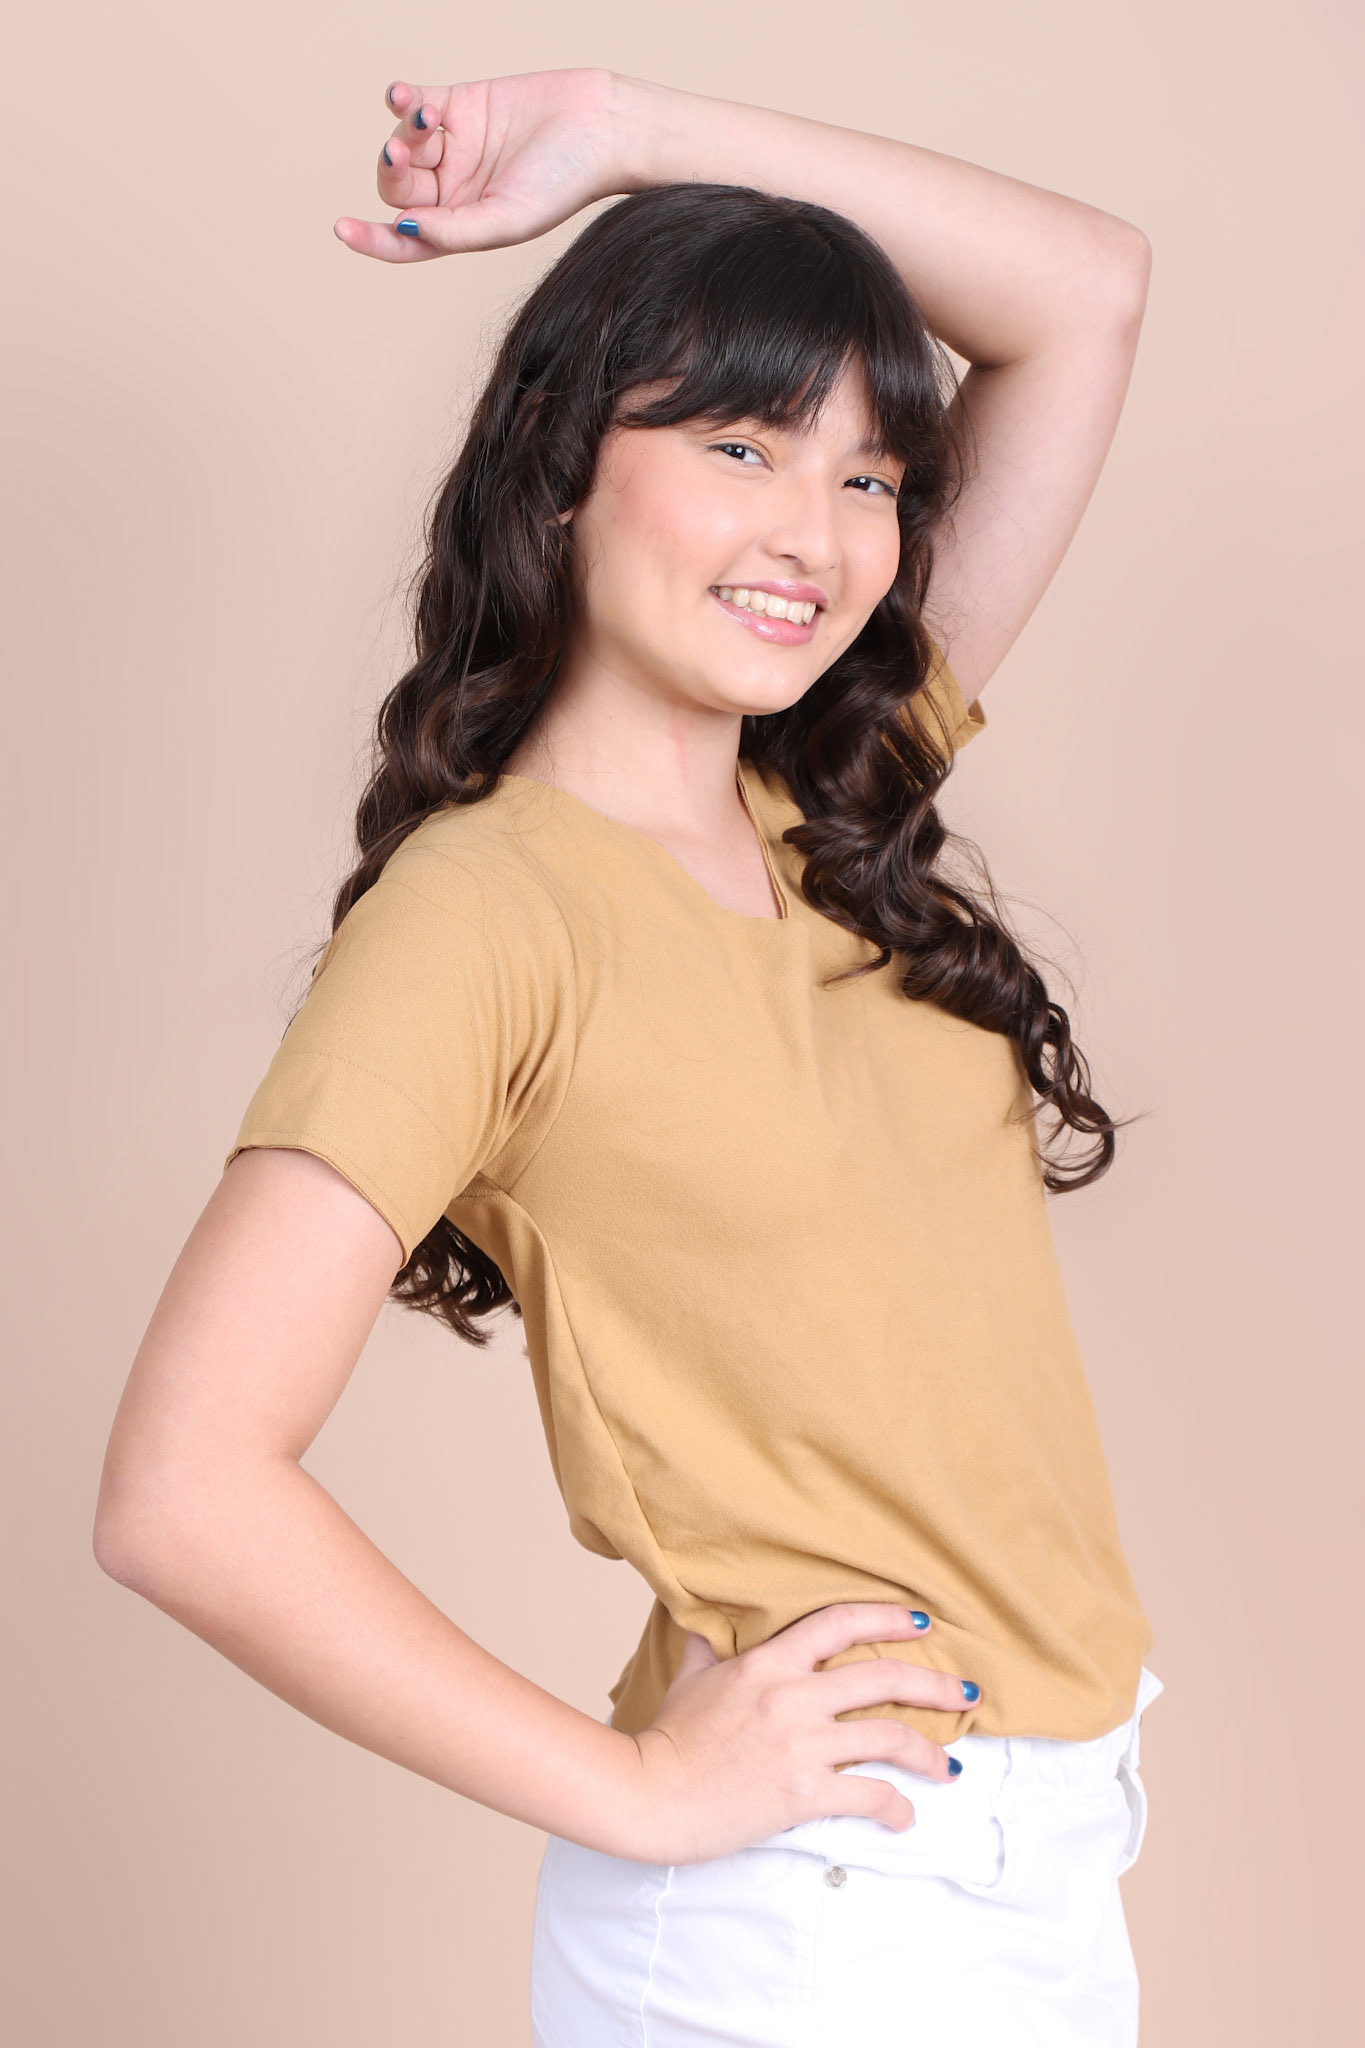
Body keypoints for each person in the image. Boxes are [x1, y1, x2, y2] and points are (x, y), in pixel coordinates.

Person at [93, 66, 1165, 2047]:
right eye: (740, 444)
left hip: (1037, 1874)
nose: (814, 533)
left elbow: (1083, 290)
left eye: (868, 476)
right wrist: (643, 1788)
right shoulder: (486, 914)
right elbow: (180, 1486)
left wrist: (622, 132)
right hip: (811, 1920)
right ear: (564, 464)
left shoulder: (831, 805)